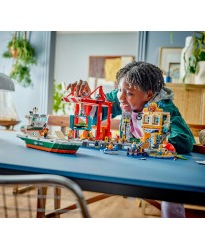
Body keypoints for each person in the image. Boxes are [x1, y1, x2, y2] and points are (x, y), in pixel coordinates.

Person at [67, 61, 195, 218]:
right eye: (120, 89)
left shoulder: (163, 107)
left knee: (171, 196)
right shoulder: (121, 96)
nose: (120, 96)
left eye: (128, 93)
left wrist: (155, 143)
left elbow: (184, 140)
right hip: (131, 160)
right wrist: (86, 97)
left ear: (149, 95)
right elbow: (96, 114)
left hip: (161, 167)